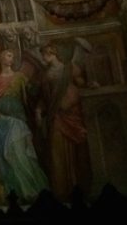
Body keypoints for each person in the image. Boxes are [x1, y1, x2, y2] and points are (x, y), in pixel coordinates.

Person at [0, 48, 49, 204]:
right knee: (4, 158)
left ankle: (32, 191)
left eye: (12, 56)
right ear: (0, 59)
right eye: (8, 55)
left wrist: (39, 84)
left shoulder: (19, 77)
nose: (10, 58)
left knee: (19, 154)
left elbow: (32, 95)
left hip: (17, 119)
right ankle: (14, 193)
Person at [36, 43, 90, 202]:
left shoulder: (69, 68)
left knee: (77, 150)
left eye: (44, 54)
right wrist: (38, 110)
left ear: (52, 53)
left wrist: (89, 85)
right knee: (56, 150)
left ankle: (79, 186)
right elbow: (44, 97)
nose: (43, 58)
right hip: (55, 114)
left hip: (71, 112)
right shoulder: (45, 75)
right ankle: (61, 189)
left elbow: (81, 83)